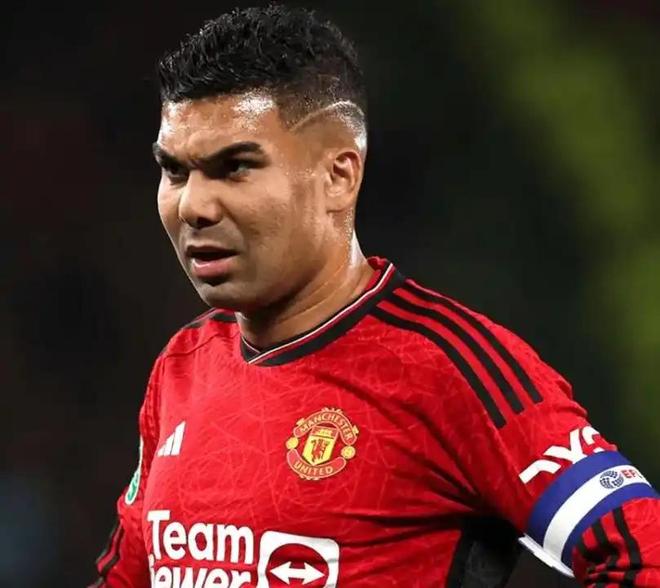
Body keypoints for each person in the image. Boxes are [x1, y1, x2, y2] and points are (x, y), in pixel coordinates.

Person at [90, 5, 659, 587]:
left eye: (234, 167)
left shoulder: (446, 369)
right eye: (175, 172)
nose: (193, 206)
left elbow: (644, 554)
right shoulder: (183, 366)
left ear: (339, 176)